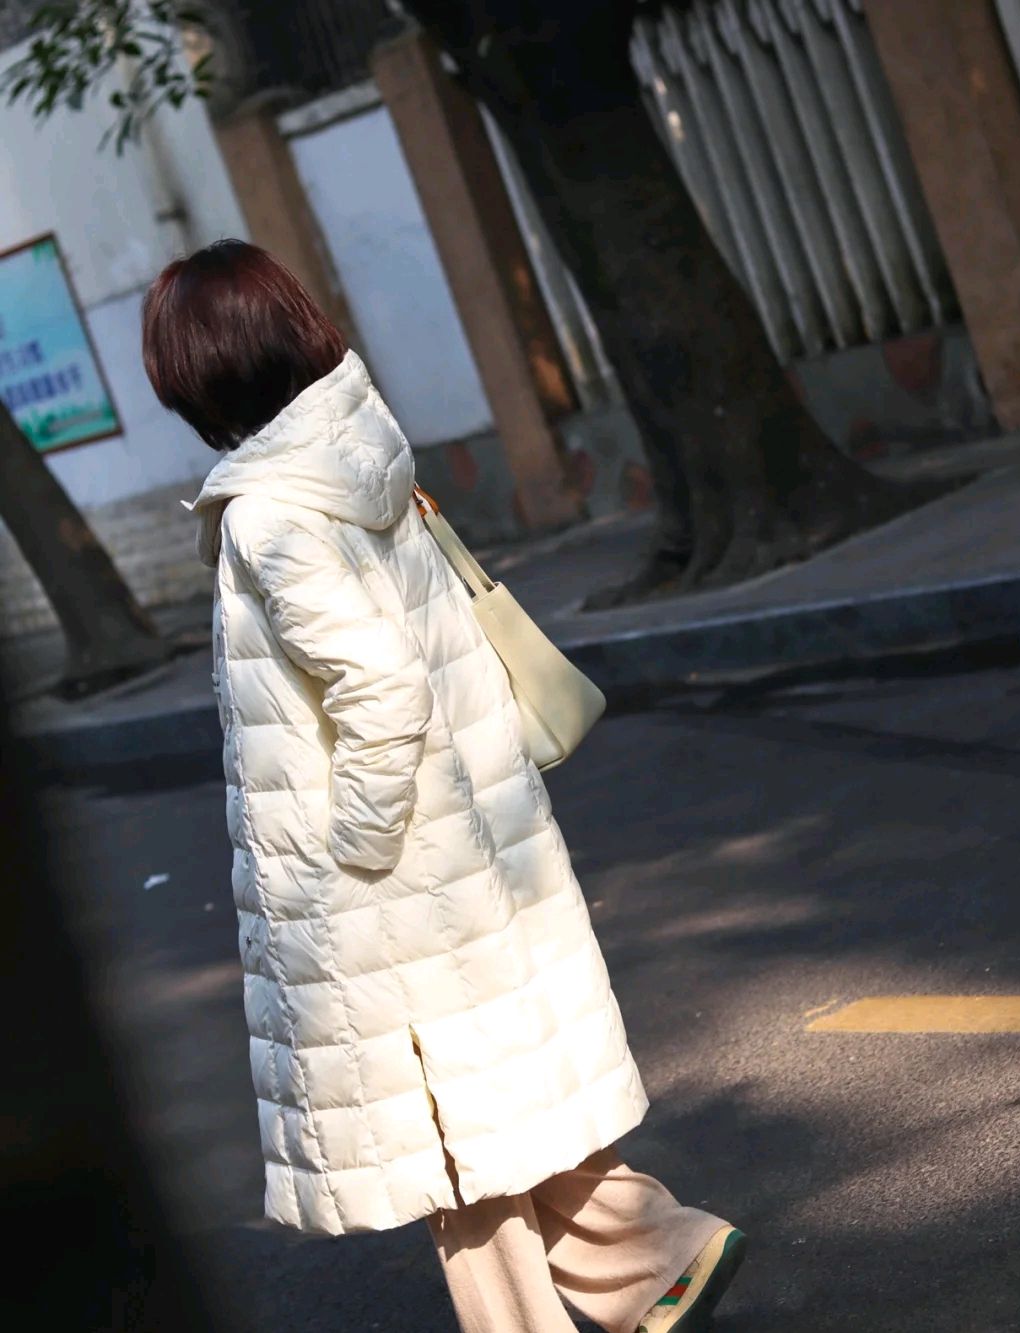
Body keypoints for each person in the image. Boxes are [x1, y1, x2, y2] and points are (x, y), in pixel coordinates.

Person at [142, 239, 745, 1333]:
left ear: (203, 375)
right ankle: (662, 1254)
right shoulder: (352, 453)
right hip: (461, 845)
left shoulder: (274, 513)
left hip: (394, 885)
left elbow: (381, 690)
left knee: (451, 1154)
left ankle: (629, 1272)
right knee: (488, 1117)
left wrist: (351, 852)